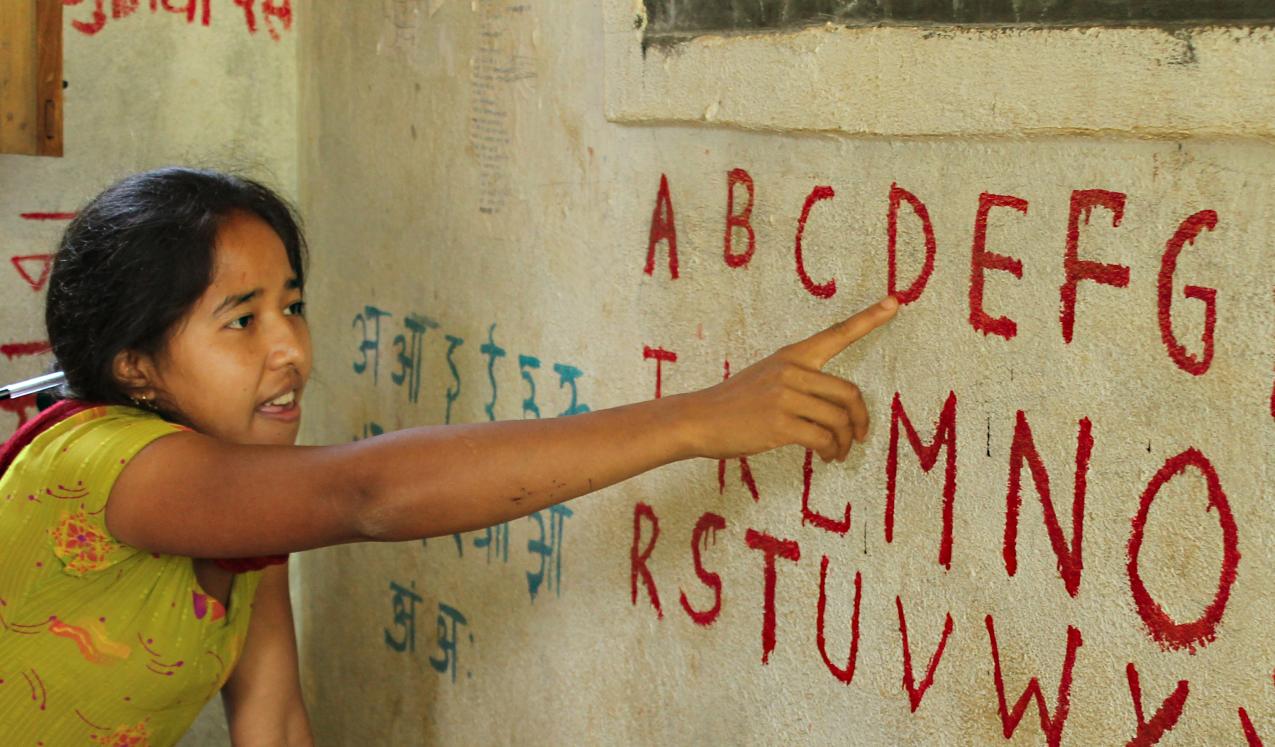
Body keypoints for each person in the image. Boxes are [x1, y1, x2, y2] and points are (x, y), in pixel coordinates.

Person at [0, 167, 898, 745]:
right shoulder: (109, 465)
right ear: (134, 366)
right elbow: (369, 490)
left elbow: (270, 719)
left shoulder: (242, 497)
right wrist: (696, 420)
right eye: (241, 320)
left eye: (293, 305)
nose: (292, 350)